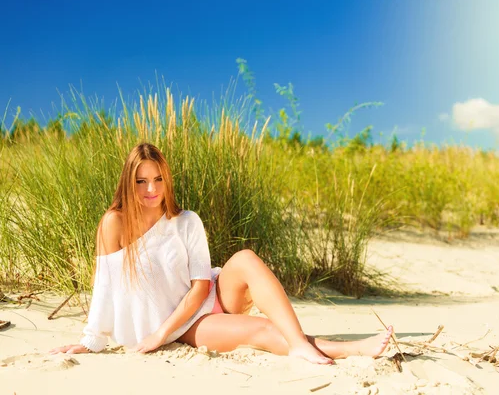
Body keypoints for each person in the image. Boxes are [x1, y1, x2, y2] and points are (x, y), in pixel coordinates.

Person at [50, 143, 393, 364]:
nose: (151, 189)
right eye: (141, 181)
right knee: (258, 331)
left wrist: (158, 333)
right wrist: (92, 340)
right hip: (185, 325)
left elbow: (201, 285)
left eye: (158, 179)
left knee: (244, 257)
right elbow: (105, 287)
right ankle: (350, 348)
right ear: (129, 182)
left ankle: (299, 342)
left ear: (167, 179)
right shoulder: (115, 223)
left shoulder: (185, 221)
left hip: (211, 293)